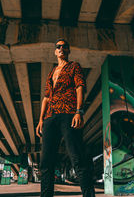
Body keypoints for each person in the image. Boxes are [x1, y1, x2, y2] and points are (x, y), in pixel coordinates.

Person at [36, 38, 95, 197]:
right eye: (58, 46)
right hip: (50, 117)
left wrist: (79, 111)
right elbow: (46, 98)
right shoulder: (51, 72)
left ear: (68, 50)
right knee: (46, 162)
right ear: (55, 51)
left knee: (78, 158)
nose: (61, 48)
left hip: (69, 113)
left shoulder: (74, 66)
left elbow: (80, 88)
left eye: (64, 46)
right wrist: (41, 120)